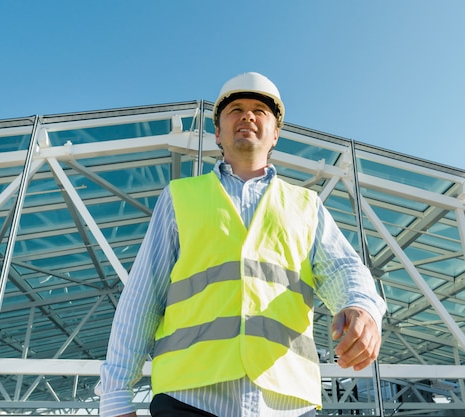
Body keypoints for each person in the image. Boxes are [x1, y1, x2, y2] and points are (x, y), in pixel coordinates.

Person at [97, 72, 387, 417]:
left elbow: (344, 269)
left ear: (275, 134)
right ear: (217, 132)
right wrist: (115, 396)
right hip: (188, 399)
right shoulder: (179, 198)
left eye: (259, 111)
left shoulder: (306, 205)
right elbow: (143, 297)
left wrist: (362, 307)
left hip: (287, 403)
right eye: (235, 109)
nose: (247, 115)